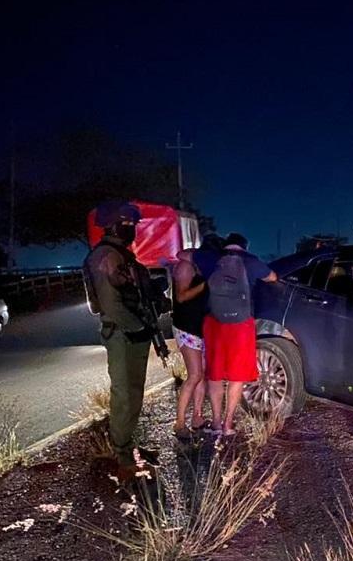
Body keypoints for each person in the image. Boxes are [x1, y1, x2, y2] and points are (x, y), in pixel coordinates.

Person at [83, 201, 163, 478]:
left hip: (133, 332)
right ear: (113, 225)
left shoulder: (121, 255)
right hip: (122, 333)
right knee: (125, 395)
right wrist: (137, 327)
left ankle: (128, 445)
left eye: (133, 225)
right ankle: (123, 456)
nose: (132, 229)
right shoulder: (105, 256)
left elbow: (135, 293)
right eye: (127, 224)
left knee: (134, 392)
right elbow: (111, 305)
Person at [193, 232, 277, 436]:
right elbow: (273, 277)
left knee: (215, 374)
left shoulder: (212, 259)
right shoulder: (252, 261)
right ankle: (228, 424)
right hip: (241, 325)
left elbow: (181, 255)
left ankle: (215, 422)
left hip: (214, 323)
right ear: (244, 246)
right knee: (237, 376)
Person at [171, 240, 212, 441]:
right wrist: (206, 284)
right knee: (195, 375)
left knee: (201, 375)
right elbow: (181, 297)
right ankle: (179, 422)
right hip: (186, 327)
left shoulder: (202, 268)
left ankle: (197, 418)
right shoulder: (185, 267)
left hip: (199, 328)